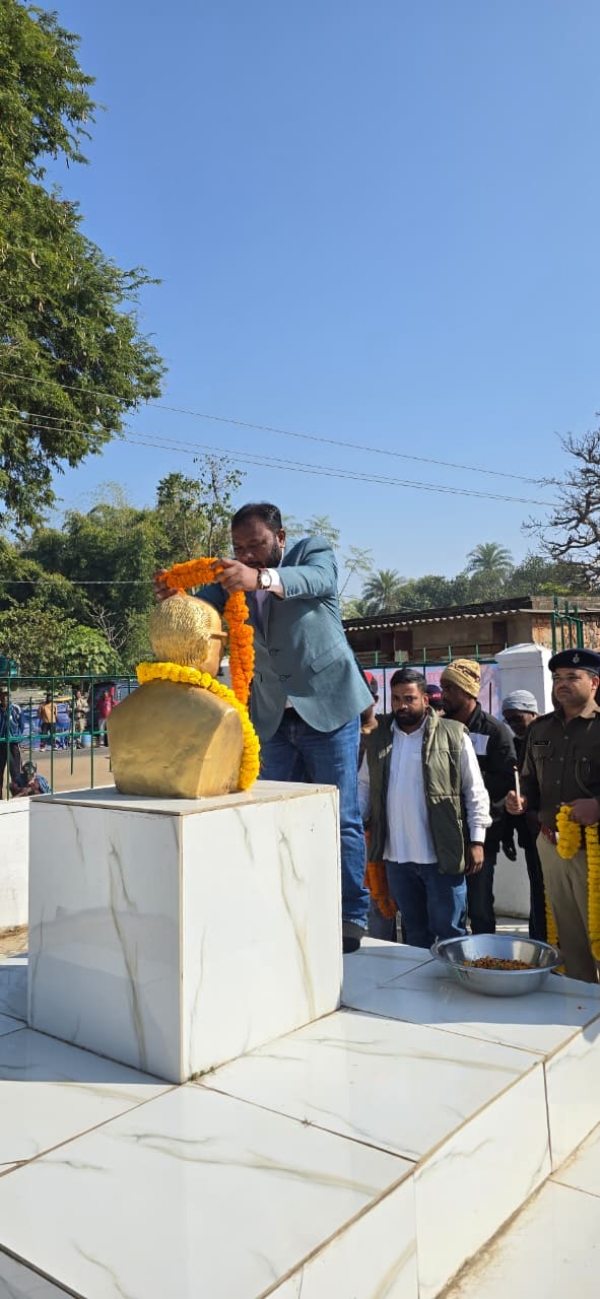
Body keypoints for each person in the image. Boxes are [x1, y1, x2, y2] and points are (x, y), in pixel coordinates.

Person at [155, 503, 374, 953]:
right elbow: (202, 613)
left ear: (280, 536)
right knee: (278, 815)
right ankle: (287, 904)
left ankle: (351, 915)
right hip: (272, 716)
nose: (249, 555)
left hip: (329, 710)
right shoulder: (231, 579)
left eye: (256, 544)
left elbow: (320, 580)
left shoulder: (310, 554)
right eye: (239, 548)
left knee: (342, 818)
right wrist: (174, 597)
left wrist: (262, 580)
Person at [363, 668, 490, 950]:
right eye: (395, 699)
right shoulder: (380, 738)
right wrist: (357, 823)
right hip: (397, 857)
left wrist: (477, 840)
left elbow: (475, 791)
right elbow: (364, 786)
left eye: (409, 698)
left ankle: (455, 988)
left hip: (441, 855)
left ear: (425, 699)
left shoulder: (453, 735)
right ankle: (420, 991)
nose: (401, 706)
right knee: (414, 932)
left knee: (450, 932)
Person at [506, 648, 600, 983]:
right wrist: (520, 799)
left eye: (572, 677)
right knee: (567, 930)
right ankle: (581, 1001)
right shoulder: (541, 728)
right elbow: (530, 779)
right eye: (557, 678)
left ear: (594, 682)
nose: (562, 684)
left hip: (594, 850)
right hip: (551, 844)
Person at [440, 659, 516, 934]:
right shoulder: (440, 728)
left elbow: (507, 780)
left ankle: (485, 959)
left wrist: (467, 782)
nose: (443, 694)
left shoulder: (495, 732)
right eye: (443, 687)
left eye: (450, 688)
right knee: (448, 904)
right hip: (445, 830)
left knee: (480, 903)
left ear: (468, 691)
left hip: (482, 834)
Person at [501, 690, 547, 942]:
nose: (514, 725)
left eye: (518, 718)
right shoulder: (513, 745)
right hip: (530, 834)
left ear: (533, 712)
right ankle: (539, 942)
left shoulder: (546, 737)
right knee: (538, 892)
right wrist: (507, 836)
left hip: (557, 828)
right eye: (509, 720)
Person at [358, 673, 399, 941]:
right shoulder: (337, 735)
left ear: (375, 698)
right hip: (357, 833)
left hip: (387, 833)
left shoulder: (388, 734)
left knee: (390, 899)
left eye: (360, 697)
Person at [0, 689, 24, 792]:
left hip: (13, 744)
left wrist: (16, 737)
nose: (5, 697)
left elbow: (21, 726)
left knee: (15, 773)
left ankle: (16, 796)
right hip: (1, 744)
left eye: (6, 695)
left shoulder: (16, 709)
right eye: (2, 695)